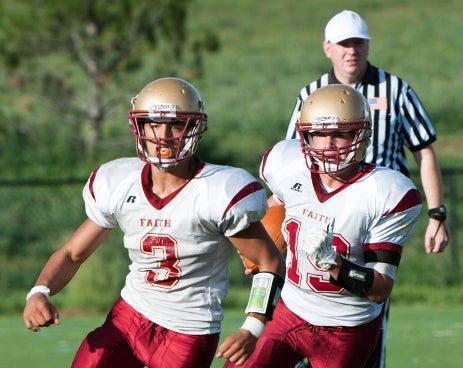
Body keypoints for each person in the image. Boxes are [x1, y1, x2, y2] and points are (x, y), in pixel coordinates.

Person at [23, 77, 286, 368]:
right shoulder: (120, 182)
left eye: (175, 125)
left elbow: (269, 263)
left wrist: (253, 326)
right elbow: (72, 254)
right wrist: (40, 291)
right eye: (154, 124)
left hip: (188, 329)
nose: (164, 136)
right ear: (139, 127)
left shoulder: (218, 189)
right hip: (129, 317)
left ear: (194, 128)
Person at [285, 10, 449, 367]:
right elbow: (290, 161)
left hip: (376, 217)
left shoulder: (395, 90)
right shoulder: (311, 95)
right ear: (328, 48)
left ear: (368, 45)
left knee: (370, 300)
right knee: (304, 304)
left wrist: (437, 214)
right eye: (344, 44)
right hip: (320, 211)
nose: (351, 51)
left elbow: (424, 149)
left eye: (358, 43)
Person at [220, 84, 423, 368]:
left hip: (347, 328)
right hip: (290, 311)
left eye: (340, 134)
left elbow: (380, 289)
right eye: (319, 134)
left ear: (361, 135)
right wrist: (262, 243)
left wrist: (333, 263)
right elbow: (280, 201)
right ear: (305, 135)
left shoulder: (387, 192)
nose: (327, 145)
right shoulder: (285, 164)